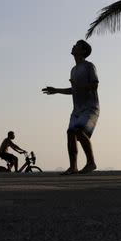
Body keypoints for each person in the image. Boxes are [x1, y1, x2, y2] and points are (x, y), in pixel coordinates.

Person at [42, 40, 99, 175]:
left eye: (77, 45)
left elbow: (94, 86)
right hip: (77, 109)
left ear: (83, 51)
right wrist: (56, 90)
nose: (73, 46)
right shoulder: (73, 70)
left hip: (90, 107)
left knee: (80, 132)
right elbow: (74, 90)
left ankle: (91, 163)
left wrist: (78, 86)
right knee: (70, 133)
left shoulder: (89, 66)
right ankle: (73, 167)